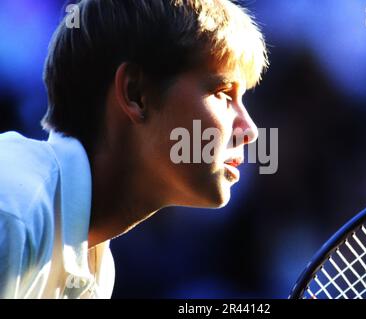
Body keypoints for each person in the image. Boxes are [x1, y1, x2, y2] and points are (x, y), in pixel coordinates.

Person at [0, 0, 268, 298]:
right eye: (222, 93)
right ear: (135, 94)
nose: (250, 130)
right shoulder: (13, 210)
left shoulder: (98, 268)